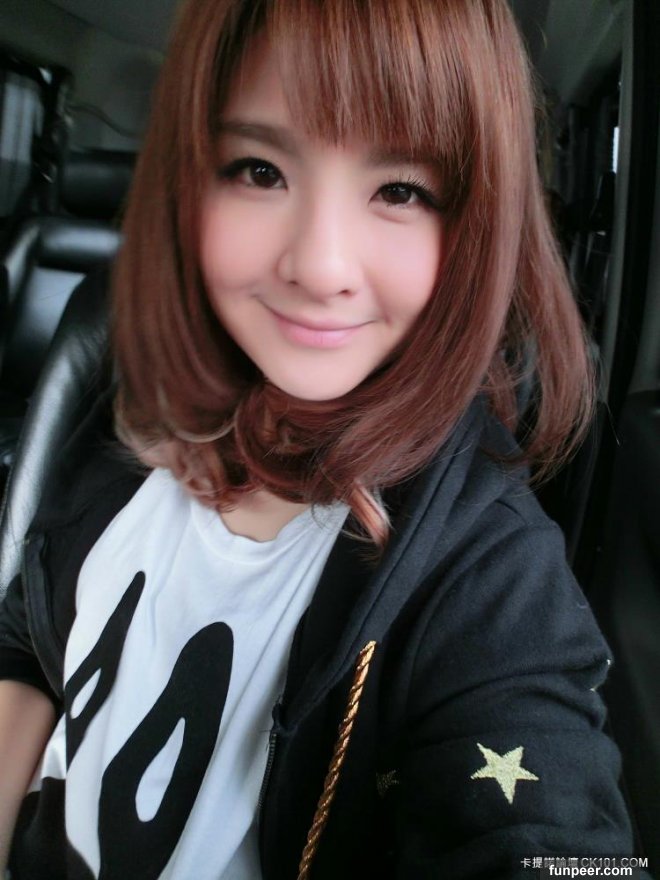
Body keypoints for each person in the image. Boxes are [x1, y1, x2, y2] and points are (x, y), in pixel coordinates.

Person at [0, 0, 644, 877]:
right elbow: (29, 637)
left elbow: (536, 826)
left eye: (400, 190)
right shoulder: (130, 411)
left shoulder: (486, 570)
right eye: (260, 171)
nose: (320, 266)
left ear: (475, 223)